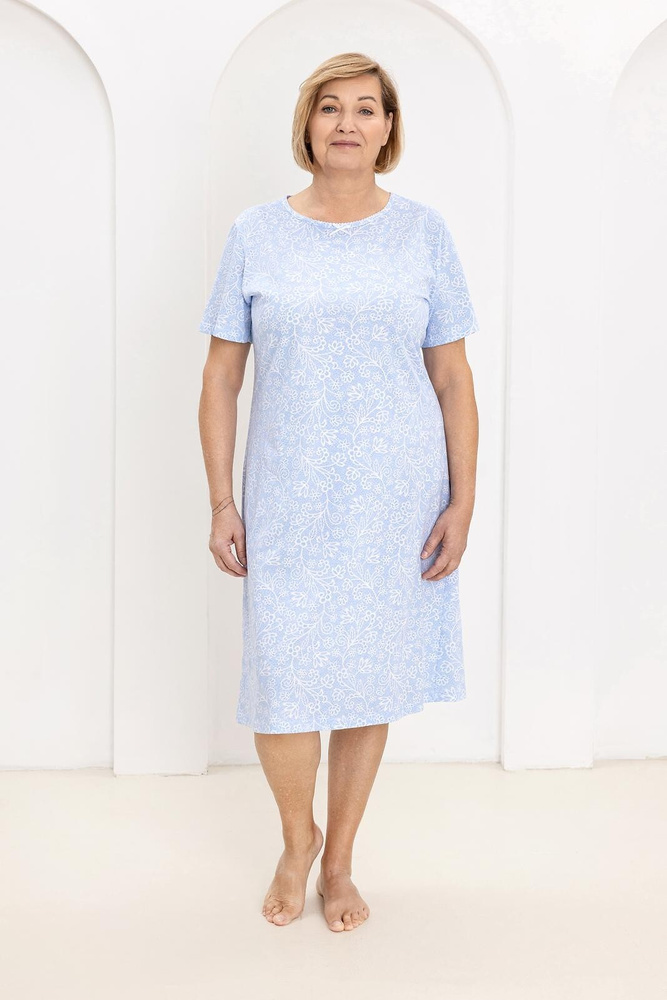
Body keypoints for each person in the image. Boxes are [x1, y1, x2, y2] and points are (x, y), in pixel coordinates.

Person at [198, 52, 480, 933]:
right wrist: (221, 500)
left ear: (388, 128)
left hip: (394, 499)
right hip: (286, 493)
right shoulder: (256, 233)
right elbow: (220, 378)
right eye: (330, 108)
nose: (347, 123)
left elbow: (453, 379)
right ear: (308, 126)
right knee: (284, 677)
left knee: (366, 679)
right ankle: (298, 840)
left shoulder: (423, 233)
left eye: (366, 108)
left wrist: (462, 500)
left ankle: (342, 861)